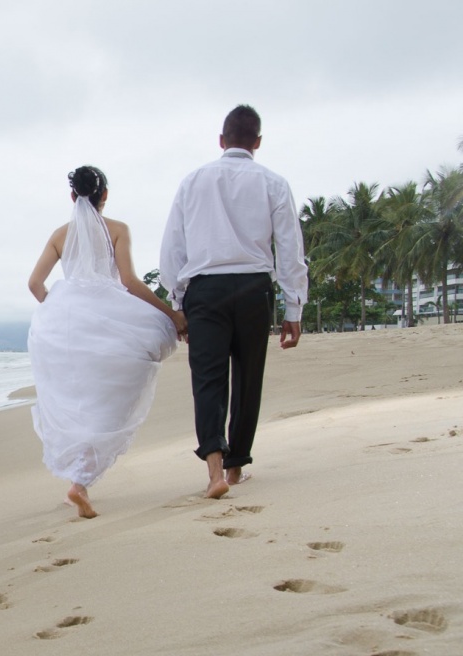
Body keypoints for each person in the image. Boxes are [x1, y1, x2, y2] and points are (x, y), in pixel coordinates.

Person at [158, 105, 307, 499]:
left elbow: (173, 246)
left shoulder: (193, 181)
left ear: (221, 141)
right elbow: (290, 248)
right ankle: (236, 467)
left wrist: (179, 303)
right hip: (254, 288)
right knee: (247, 377)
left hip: (205, 290)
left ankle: (213, 473)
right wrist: (295, 308)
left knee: (208, 381)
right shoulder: (273, 183)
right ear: (257, 142)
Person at [27, 165, 186, 519]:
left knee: (76, 403)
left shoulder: (59, 235)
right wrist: (170, 315)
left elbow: (35, 285)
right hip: (112, 326)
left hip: (65, 328)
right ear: (105, 196)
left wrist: (61, 312)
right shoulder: (117, 230)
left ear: (73, 197)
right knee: (108, 405)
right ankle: (80, 483)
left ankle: (78, 480)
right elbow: (128, 280)